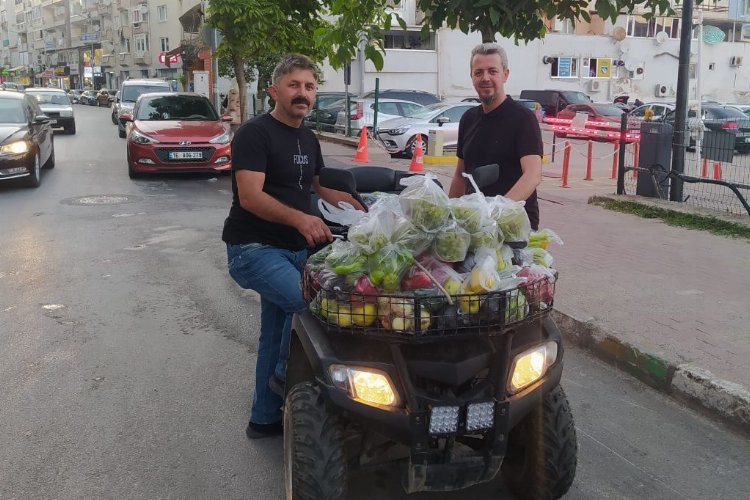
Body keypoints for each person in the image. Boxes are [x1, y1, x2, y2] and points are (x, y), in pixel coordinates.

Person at [222, 54, 365, 439]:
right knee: (312, 305)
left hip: (295, 250)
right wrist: (301, 220)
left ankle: (264, 418)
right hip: (253, 249)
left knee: (275, 332)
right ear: (274, 91)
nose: (302, 93)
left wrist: (354, 204)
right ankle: (287, 380)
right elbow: (250, 197)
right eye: (294, 85)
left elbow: (316, 186)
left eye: (309, 86)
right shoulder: (255, 134)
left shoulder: (308, 136)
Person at [448, 43, 543, 230]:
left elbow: (532, 175)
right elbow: (460, 175)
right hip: (474, 225)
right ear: (472, 76)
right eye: (479, 72)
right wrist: (448, 215)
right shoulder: (468, 119)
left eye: (493, 71)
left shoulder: (523, 119)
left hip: (514, 228)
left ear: (505, 74)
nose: (486, 78)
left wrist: (496, 212)